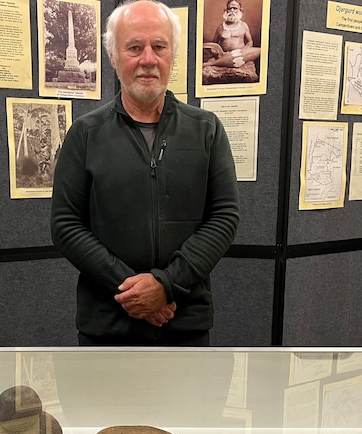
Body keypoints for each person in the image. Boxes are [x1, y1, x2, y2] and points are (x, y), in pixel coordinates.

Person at [50, 0, 239, 346]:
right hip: (107, 329)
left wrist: (166, 285)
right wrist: (132, 291)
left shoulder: (206, 130)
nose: (148, 59)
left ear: (173, 55)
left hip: (186, 328)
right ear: (114, 57)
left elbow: (224, 217)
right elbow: (66, 225)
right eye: (135, 47)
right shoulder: (85, 134)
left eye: (159, 46)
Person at [202, 0, 261, 74]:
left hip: (240, 55)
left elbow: (250, 42)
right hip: (223, 56)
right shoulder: (220, 27)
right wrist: (217, 54)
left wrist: (244, 51)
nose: (232, 11)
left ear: (240, 10)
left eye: (235, 8)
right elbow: (214, 45)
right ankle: (218, 62)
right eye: (229, 8)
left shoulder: (243, 26)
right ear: (226, 11)